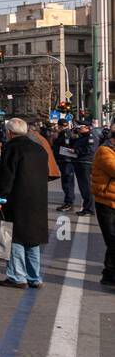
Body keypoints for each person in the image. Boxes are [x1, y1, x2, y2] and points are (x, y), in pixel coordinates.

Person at [0, 118, 51, 289]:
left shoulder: (12, 148)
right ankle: (35, 277)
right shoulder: (39, 148)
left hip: (17, 199)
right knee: (32, 240)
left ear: (9, 132)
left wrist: (0, 197)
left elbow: (7, 176)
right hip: (38, 199)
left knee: (15, 239)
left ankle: (17, 276)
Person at [91, 130, 115, 287]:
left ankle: (108, 274)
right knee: (113, 240)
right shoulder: (104, 151)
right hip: (106, 203)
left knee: (113, 241)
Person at [54, 119, 79, 213]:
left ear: (60, 126)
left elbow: (66, 146)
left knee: (67, 183)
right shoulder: (66, 133)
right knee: (67, 182)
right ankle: (68, 201)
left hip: (66, 161)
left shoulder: (66, 134)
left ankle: (69, 203)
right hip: (65, 161)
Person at [73, 123, 96, 216]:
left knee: (86, 187)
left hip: (85, 163)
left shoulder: (90, 136)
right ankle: (87, 208)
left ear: (87, 128)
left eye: (80, 127)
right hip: (80, 163)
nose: (78, 129)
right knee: (83, 187)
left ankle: (89, 209)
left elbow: (90, 149)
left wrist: (76, 151)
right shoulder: (82, 137)